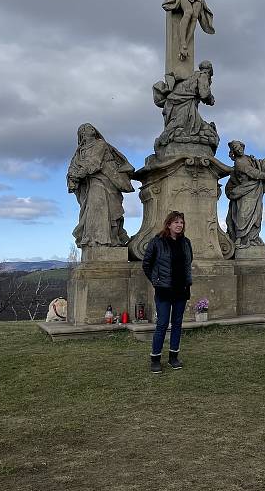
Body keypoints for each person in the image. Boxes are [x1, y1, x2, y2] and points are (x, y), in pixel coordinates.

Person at [67, 123, 134, 247]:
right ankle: (94, 239)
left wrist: (79, 174)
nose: (91, 128)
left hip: (106, 179)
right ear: (82, 134)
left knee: (110, 210)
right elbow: (73, 167)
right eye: (86, 128)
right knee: (94, 209)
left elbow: (94, 162)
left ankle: (109, 239)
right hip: (91, 183)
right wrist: (72, 178)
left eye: (91, 127)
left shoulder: (100, 144)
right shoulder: (79, 152)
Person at [142, 211, 193, 374]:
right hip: (163, 290)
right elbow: (146, 264)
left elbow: (188, 263)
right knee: (162, 324)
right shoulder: (157, 242)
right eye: (176, 222)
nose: (179, 225)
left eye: (182, 223)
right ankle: (155, 359)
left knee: (177, 324)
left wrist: (186, 282)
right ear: (169, 224)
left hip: (181, 290)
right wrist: (156, 282)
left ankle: (173, 357)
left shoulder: (186, 243)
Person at [225, 140, 265, 248]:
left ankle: (252, 237)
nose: (238, 149)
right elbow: (255, 173)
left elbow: (259, 164)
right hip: (245, 190)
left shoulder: (249, 158)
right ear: (233, 151)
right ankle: (240, 239)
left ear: (243, 147)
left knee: (256, 215)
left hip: (255, 190)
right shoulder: (239, 163)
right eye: (235, 148)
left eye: (239, 147)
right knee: (243, 215)